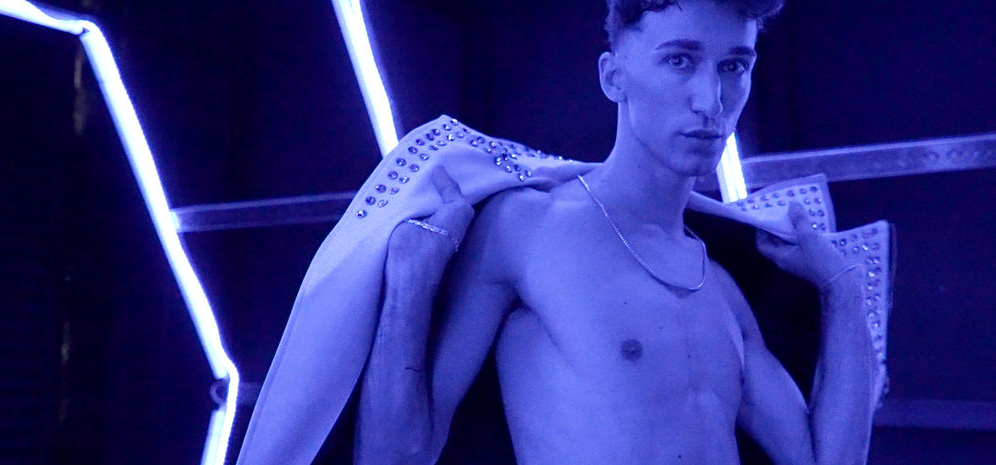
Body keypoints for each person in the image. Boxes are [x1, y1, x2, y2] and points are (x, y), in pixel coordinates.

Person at [355, 1, 879, 464]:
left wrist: (845, 292)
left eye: (733, 66)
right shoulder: (527, 229)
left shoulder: (719, 289)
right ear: (613, 77)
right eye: (680, 60)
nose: (711, 100)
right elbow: (393, 456)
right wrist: (411, 279)